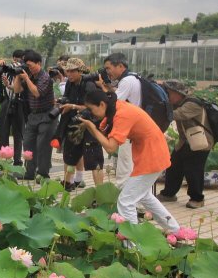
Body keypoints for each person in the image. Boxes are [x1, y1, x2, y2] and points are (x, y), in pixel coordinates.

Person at [78, 90, 179, 233]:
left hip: (152, 156)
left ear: (101, 104)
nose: (91, 113)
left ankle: (133, 243)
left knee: (125, 201)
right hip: (150, 154)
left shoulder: (121, 114)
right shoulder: (115, 108)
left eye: (91, 109)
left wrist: (91, 128)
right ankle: (175, 230)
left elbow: (111, 148)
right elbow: (108, 142)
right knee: (145, 196)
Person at [157, 80, 213, 209]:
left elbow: (177, 115)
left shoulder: (192, 104)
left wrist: (159, 106)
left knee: (193, 171)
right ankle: (169, 194)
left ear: (177, 94)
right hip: (185, 142)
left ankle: (197, 198)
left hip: (201, 142)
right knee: (173, 166)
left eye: (168, 93)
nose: (166, 96)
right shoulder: (176, 103)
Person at [55, 58, 104, 191]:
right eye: (67, 71)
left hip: (91, 125)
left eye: (72, 71)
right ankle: (67, 183)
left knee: (95, 161)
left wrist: (72, 106)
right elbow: (67, 99)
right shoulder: (70, 84)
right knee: (69, 156)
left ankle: (100, 192)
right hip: (75, 124)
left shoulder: (89, 85)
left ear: (80, 71)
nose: (69, 74)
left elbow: (95, 109)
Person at [13, 50, 58, 181]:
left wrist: (26, 78)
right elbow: (17, 90)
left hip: (47, 115)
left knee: (43, 145)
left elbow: (37, 93)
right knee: (28, 143)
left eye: (31, 65)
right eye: (27, 66)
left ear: (39, 63)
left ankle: (43, 174)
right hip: (33, 115)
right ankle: (29, 172)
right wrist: (17, 76)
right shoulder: (29, 76)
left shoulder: (46, 78)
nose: (29, 68)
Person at [102, 52, 141, 188]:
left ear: (120, 66)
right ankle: (135, 201)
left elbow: (113, 103)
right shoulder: (135, 77)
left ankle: (122, 200)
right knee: (133, 165)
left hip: (129, 129)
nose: (107, 72)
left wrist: (102, 88)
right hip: (138, 127)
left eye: (108, 68)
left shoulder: (126, 81)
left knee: (125, 166)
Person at [0, 50, 26, 165]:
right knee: (3, 132)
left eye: (18, 59)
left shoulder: (24, 71)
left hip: (19, 103)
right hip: (6, 101)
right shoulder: (6, 70)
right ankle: (2, 158)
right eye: (14, 59)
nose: (16, 61)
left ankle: (17, 160)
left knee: (18, 133)